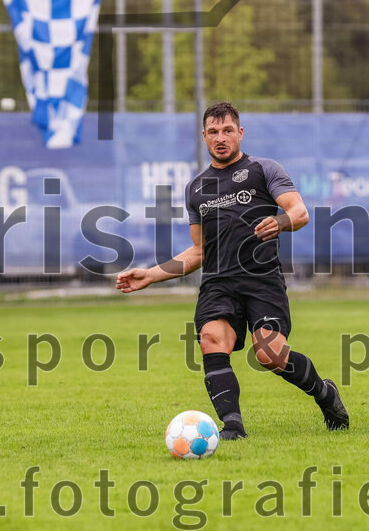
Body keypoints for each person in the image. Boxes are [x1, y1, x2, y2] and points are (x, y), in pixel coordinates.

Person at [116, 102, 348, 439]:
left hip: (262, 279)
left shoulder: (264, 170)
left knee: (269, 354)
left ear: (240, 133)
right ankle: (233, 427)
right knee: (212, 340)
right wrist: (151, 275)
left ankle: (324, 394)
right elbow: (198, 251)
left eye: (227, 131)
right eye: (213, 132)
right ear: (204, 137)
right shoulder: (196, 189)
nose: (220, 138)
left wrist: (280, 222)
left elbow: (300, 212)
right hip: (217, 282)